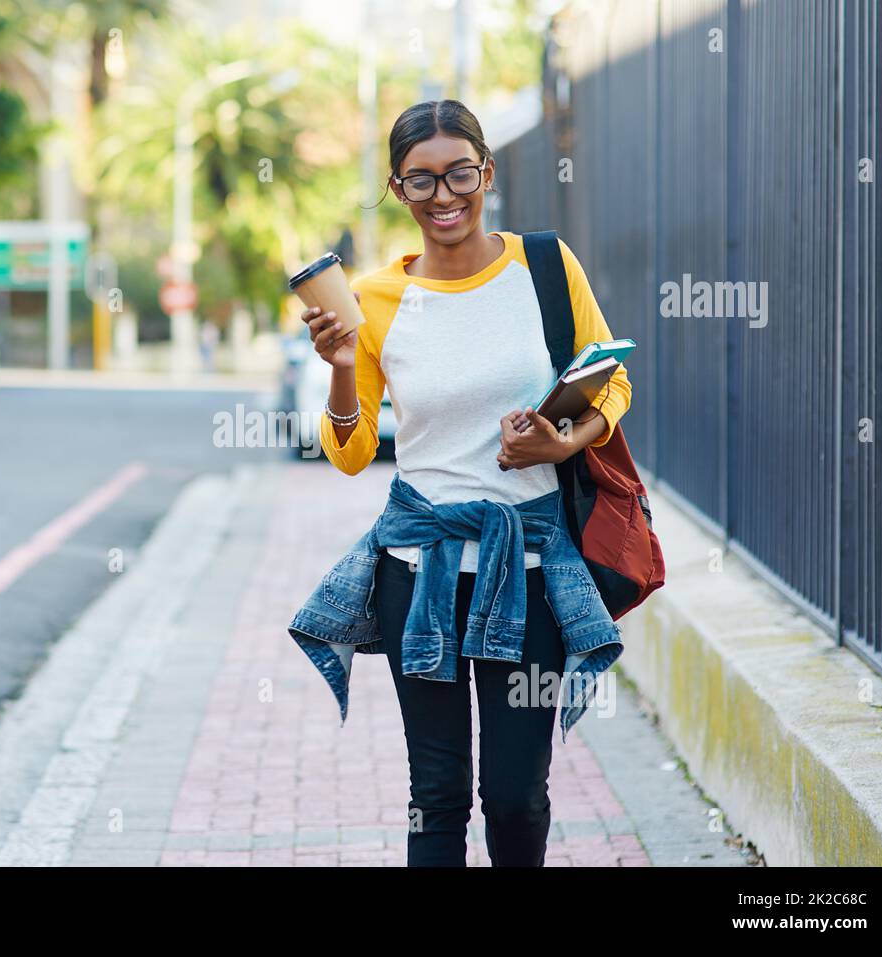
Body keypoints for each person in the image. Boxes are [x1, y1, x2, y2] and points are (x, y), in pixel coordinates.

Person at [299, 99, 631, 867]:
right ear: (397, 187)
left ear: (486, 171)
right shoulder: (377, 300)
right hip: (419, 573)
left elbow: (611, 381)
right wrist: (344, 367)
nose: (445, 197)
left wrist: (563, 440)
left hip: (534, 568)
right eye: (422, 182)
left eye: (460, 174)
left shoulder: (546, 266)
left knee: (517, 795)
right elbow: (349, 453)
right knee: (437, 795)